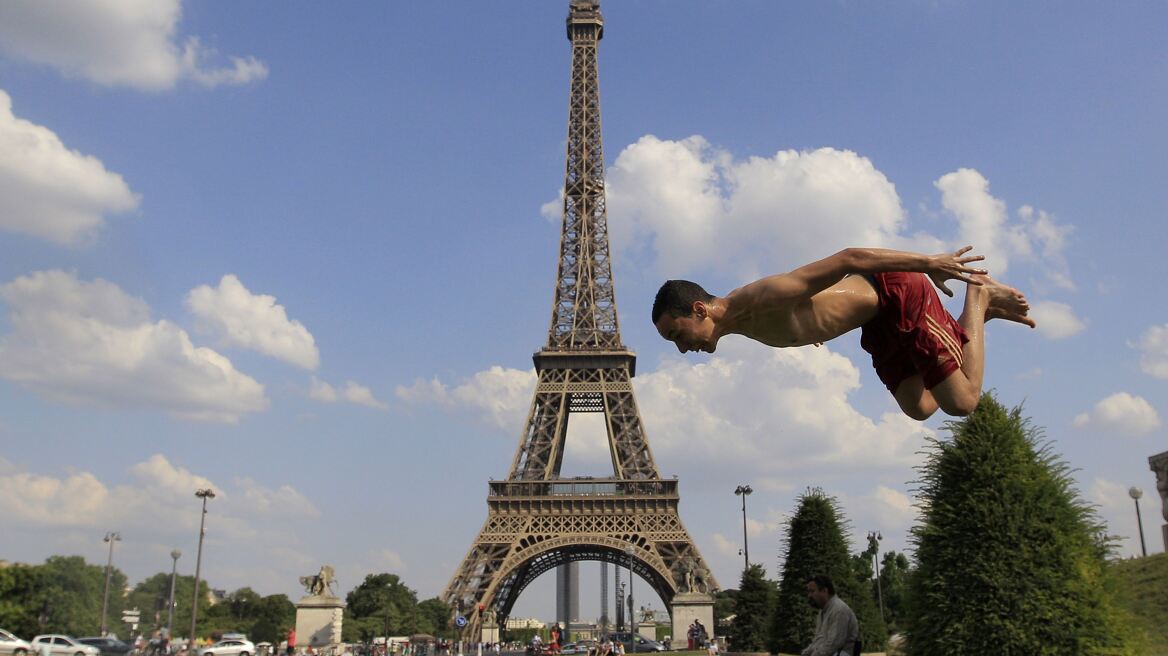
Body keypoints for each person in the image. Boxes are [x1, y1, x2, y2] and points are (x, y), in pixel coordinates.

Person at [652, 246, 1034, 420]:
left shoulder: (757, 298)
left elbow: (848, 258)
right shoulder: (739, 324)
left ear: (699, 309)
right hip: (876, 319)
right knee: (920, 407)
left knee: (962, 402)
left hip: (897, 291)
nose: (682, 350)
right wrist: (819, 327)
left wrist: (929, 262)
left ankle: (979, 295)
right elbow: (805, 316)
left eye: (675, 335)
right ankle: (974, 325)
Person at [801, 575, 859, 656]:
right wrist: (805, 653)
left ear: (824, 591)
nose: (809, 595)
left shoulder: (839, 610)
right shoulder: (823, 611)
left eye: (812, 591)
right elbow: (819, 640)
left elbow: (833, 644)